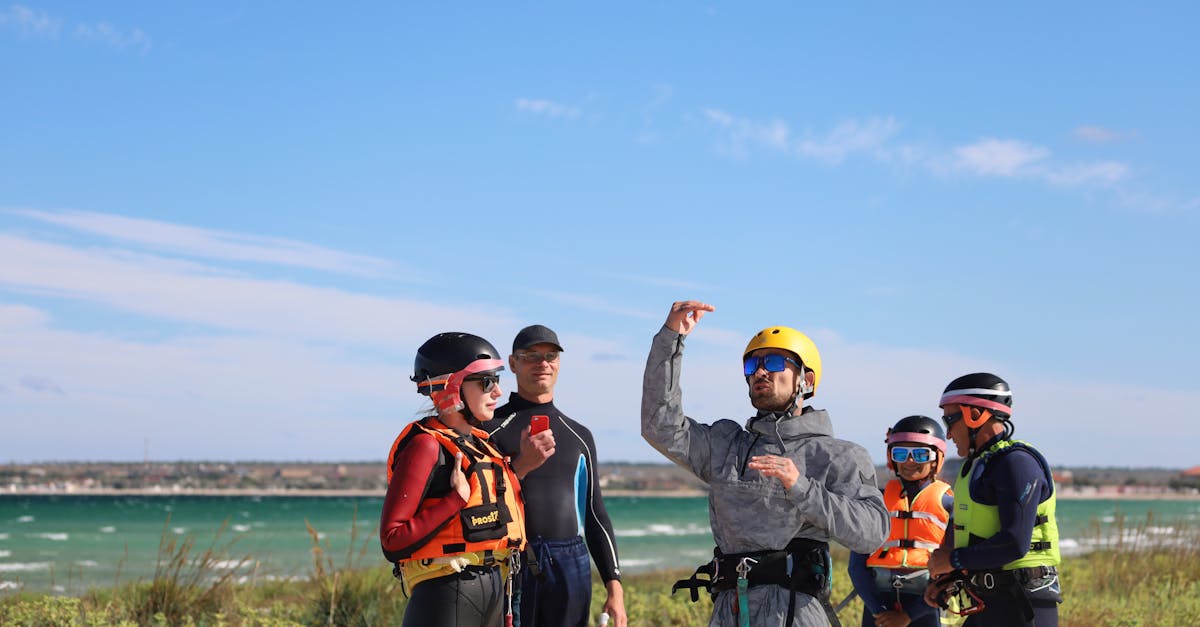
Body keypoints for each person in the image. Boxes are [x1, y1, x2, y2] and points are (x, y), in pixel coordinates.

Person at [642, 301, 890, 627]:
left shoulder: (838, 455)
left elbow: (872, 533)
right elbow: (660, 426)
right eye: (753, 365)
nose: (760, 371)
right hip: (728, 610)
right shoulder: (727, 445)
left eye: (773, 362)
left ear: (807, 379)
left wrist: (802, 488)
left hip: (794, 613)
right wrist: (670, 339)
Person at [379, 332, 528, 627]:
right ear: (452, 388)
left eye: (496, 380)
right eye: (486, 382)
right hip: (445, 593)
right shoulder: (426, 446)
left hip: (495, 588)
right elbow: (392, 541)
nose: (497, 392)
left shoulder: (483, 446)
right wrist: (453, 501)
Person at [483, 324, 627, 627]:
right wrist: (522, 463)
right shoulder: (489, 430)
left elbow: (595, 513)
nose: (543, 364)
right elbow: (479, 502)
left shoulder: (580, 436)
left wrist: (614, 585)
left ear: (559, 363)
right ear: (513, 363)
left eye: (550, 356)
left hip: (570, 561)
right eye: (531, 356)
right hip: (511, 559)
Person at [922, 373, 1062, 626]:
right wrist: (948, 577)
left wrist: (953, 560)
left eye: (949, 420)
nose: (949, 434)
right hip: (987, 601)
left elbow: (1014, 543)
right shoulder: (977, 466)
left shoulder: (1016, 464)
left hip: (1023, 606)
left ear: (975, 415)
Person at [847, 416, 954, 627]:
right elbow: (856, 566)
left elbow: (952, 571)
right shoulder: (874, 502)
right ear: (891, 458)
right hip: (877, 606)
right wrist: (879, 612)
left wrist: (908, 617)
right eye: (901, 453)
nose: (910, 461)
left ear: (937, 459)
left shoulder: (950, 504)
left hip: (925, 607)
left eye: (921, 454)